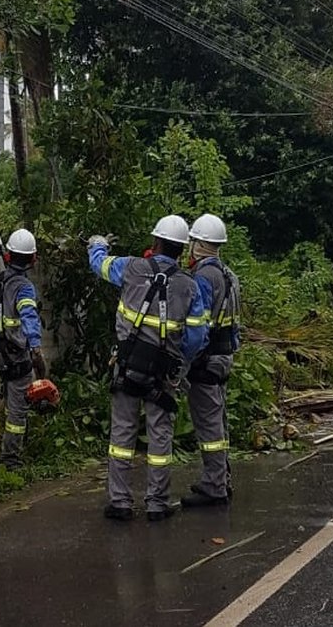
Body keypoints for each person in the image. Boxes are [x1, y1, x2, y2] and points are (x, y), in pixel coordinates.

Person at [87, 216, 207, 522]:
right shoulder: (190, 286)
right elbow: (196, 338)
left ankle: (120, 503)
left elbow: (99, 264)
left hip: (127, 367)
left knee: (122, 435)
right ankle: (157, 503)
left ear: (155, 243)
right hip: (163, 374)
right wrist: (179, 363)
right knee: (160, 438)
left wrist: (97, 243)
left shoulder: (131, 267)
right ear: (182, 249)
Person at [183, 214, 241, 509]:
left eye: (192, 241)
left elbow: (198, 327)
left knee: (209, 427)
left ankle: (214, 486)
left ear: (198, 244)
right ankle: (221, 478)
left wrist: (185, 361)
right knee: (219, 421)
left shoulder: (204, 278)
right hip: (223, 356)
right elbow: (234, 325)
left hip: (206, 360)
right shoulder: (229, 275)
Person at [0, 228, 47, 469]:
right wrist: (36, 350)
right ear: (32, 259)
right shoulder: (24, 288)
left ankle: (4, 436)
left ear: (8, 255)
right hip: (15, 355)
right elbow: (29, 317)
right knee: (19, 408)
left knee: (7, 394)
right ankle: (11, 459)